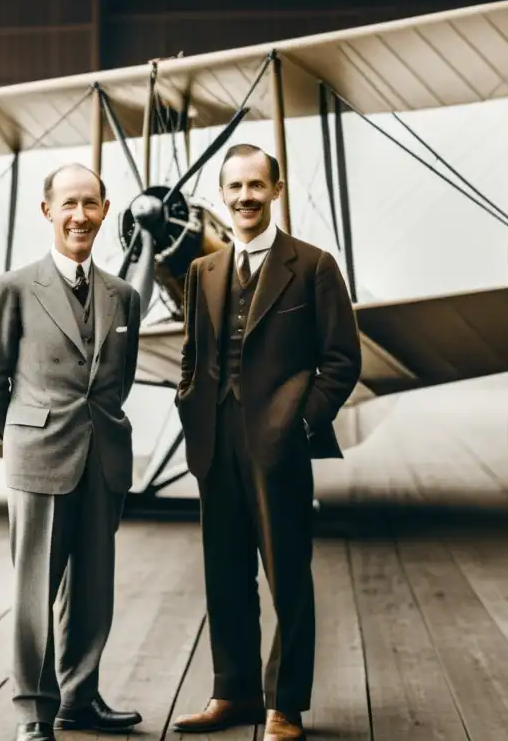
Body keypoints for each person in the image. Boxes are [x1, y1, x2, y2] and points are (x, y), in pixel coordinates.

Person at [171, 144, 362, 740]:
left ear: (275, 190)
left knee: (289, 576)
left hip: (280, 445)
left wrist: (300, 423)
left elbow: (342, 360)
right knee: (224, 576)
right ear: (222, 195)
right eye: (235, 188)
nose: (246, 198)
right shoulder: (203, 271)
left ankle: (285, 705)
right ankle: (234, 693)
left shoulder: (313, 265)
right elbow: (192, 357)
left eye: (257, 186)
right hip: (215, 443)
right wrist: (190, 405)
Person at [0, 162, 143, 741]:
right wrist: (21, 430)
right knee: (35, 591)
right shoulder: (13, 288)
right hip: (39, 455)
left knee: (94, 589)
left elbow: (121, 378)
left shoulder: (124, 296)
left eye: (90, 204)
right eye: (68, 204)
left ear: (105, 210)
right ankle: (34, 712)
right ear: (48, 211)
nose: (80, 216)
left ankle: (80, 699)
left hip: (103, 458)